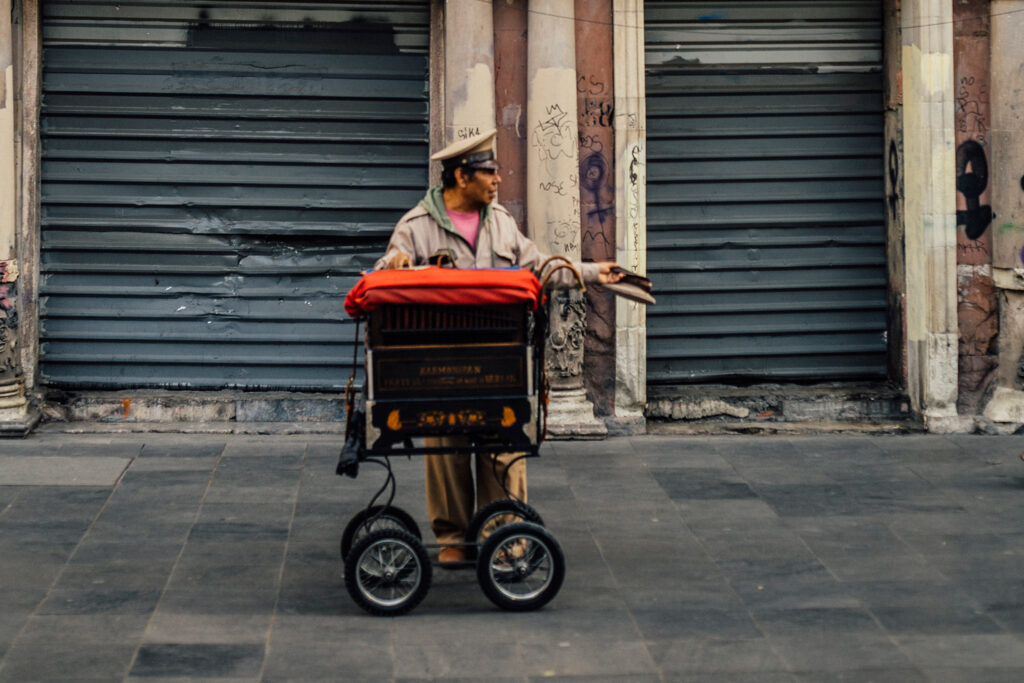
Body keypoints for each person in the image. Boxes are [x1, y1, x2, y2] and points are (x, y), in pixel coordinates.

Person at [375, 128, 623, 564]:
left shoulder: (502, 223)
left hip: (499, 361)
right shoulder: (415, 226)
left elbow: (541, 267)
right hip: (440, 364)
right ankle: (452, 537)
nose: (498, 180)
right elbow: (383, 272)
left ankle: (503, 535)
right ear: (460, 178)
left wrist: (595, 272)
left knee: (505, 442)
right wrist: (394, 263)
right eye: (489, 172)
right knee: (444, 443)